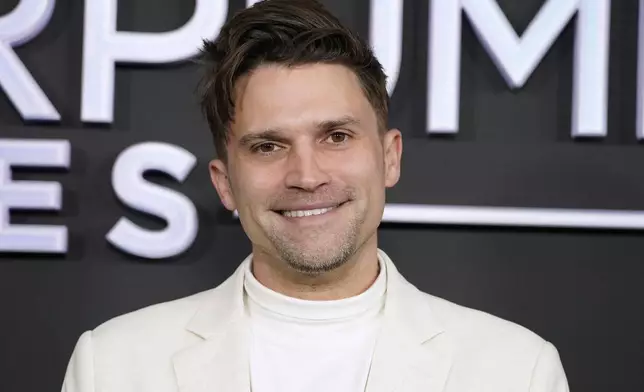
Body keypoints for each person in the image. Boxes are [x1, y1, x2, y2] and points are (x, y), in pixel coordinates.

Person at [61, 0, 570, 391]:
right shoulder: (113, 365)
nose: (306, 175)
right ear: (224, 183)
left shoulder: (515, 370)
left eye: (336, 136)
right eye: (267, 145)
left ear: (389, 157)